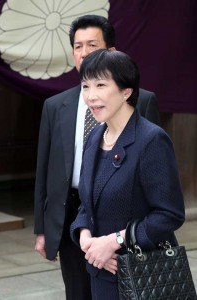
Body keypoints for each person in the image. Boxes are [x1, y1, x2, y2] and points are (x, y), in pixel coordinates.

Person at [34, 15, 160, 300]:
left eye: (92, 44)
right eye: (78, 46)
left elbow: (154, 179)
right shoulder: (55, 106)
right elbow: (44, 170)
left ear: (112, 52)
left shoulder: (141, 101)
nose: (84, 52)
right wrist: (42, 229)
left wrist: (125, 235)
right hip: (74, 218)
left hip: (122, 220)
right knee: (77, 292)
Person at [70, 49, 185, 299]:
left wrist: (114, 241)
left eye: (100, 85)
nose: (91, 96)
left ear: (126, 91)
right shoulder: (95, 137)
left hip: (145, 275)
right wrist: (85, 236)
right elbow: (87, 203)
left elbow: (170, 214)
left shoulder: (151, 140)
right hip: (101, 273)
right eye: (86, 86)